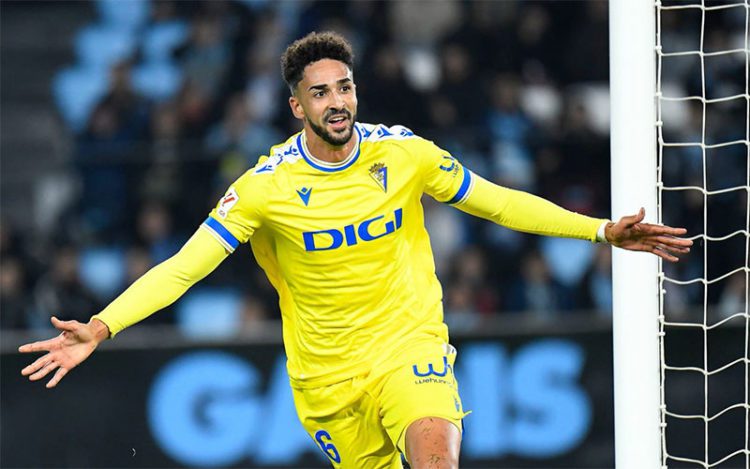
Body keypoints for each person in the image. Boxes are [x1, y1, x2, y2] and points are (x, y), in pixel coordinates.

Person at [19, 32, 692, 469]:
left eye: (344, 87)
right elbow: (184, 266)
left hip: (409, 347)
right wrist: (102, 325)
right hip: (327, 382)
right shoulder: (264, 188)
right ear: (295, 107)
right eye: (320, 92)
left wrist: (598, 230)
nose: (337, 102)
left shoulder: (404, 154)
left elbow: (498, 200)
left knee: (435, 449)